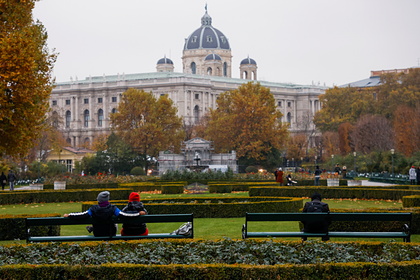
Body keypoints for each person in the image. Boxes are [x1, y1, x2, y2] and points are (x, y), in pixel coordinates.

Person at [64, 191, 138, 237]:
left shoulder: (93, 209)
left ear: (98, 200)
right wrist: (138, 213)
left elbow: (83, 215)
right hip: (110, 234)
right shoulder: (113, 208)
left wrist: (70, 215)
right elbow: (124, 215)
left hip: (97, 234)